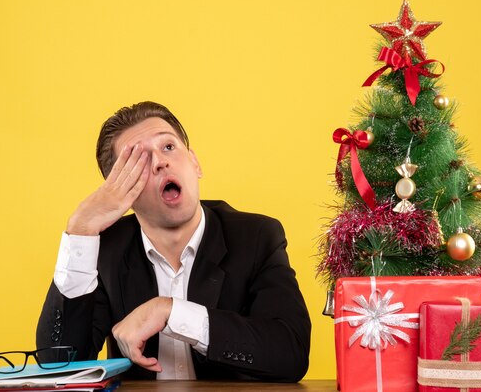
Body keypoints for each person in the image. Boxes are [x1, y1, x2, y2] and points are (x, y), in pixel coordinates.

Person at [36, 101, 311, 381]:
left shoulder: (257, 237)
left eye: (168, 147)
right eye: (139, 159)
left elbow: (290, 353)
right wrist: (80, 231)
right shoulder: (106, 249)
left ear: (195, 163)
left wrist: (171, 311)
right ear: (120, 190)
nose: (160, 161)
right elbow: (58, 366)